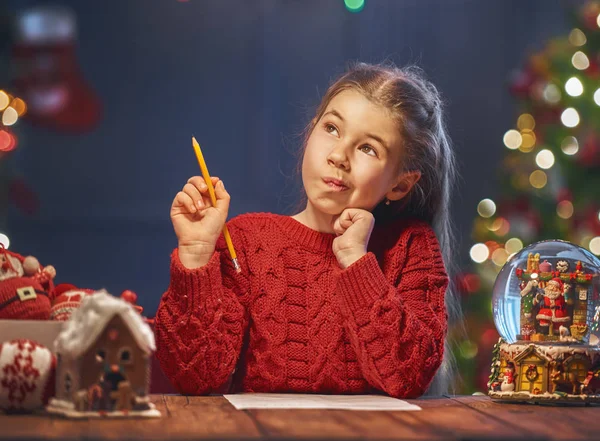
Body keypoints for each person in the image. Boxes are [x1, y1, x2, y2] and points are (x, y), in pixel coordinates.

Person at [154, 61, 461, 398]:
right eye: (332, 128)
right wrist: (197, 256)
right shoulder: (245, 242)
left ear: (400, 185)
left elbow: (409, 376)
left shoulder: (410, 248)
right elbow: (195, 376)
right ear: (311, 132)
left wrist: (357, 263)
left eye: (368, 148)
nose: (339, 156)